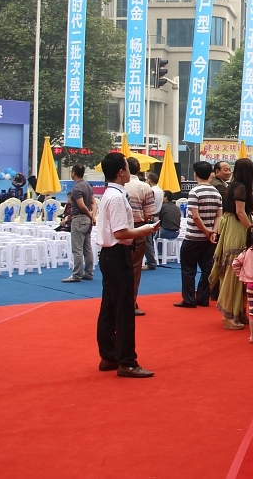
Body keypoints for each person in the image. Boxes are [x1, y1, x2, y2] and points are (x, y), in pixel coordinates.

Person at [95, 153, 162, 378]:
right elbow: (121, 232)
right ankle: (126, 361)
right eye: (126, 167)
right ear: (121, 172)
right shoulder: (116, 197)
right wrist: (144, 230)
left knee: (110, 307)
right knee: (123, 309)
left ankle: (109, 355)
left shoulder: (111, 194)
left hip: (111, 254)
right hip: (117, 253)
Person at [210, 158, 253, 330]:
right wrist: (252, 230)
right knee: (235, 272)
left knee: (240, 272)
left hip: (234, 227)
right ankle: (229, 314)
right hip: (237, 229)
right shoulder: (240, 187)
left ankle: (238, 311)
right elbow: (240, 212)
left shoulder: (234, 186)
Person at [175, 161, 221, 308]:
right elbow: (219, 216)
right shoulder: (216, 192)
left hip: (193, 237)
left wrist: (205, 231)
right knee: (207, 269)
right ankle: (203, 297)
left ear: (195, 174)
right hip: (209, 238)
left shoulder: (194, 192)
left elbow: (195, 217)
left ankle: (189, 299)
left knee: (188, 270)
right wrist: (212, 232)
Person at [124, 157, 156, 315]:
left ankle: (119, 301)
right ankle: (130, 302)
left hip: (119, 229)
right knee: (135, 268)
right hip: (138, 228)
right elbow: (149, 213)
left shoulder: (117, 186)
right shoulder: (144, 187)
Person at [63, 163, 96, 283]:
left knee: (77, 248)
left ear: (73, 173)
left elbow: (81, 206)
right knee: (87, 247)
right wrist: (92, 214)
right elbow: (93, 202)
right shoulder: (87, 186)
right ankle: (89, 272)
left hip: (79, 219)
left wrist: (89, 214)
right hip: (87, 220)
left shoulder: (76, 188)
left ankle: (77, 274)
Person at [143, 171, 164, 270]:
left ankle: (151, 262)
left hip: (150, 215)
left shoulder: (151, 191)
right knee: (150, 240)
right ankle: (151, 261)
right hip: (157, 215)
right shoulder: (161, 191)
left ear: (149, 180)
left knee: (148, 241)